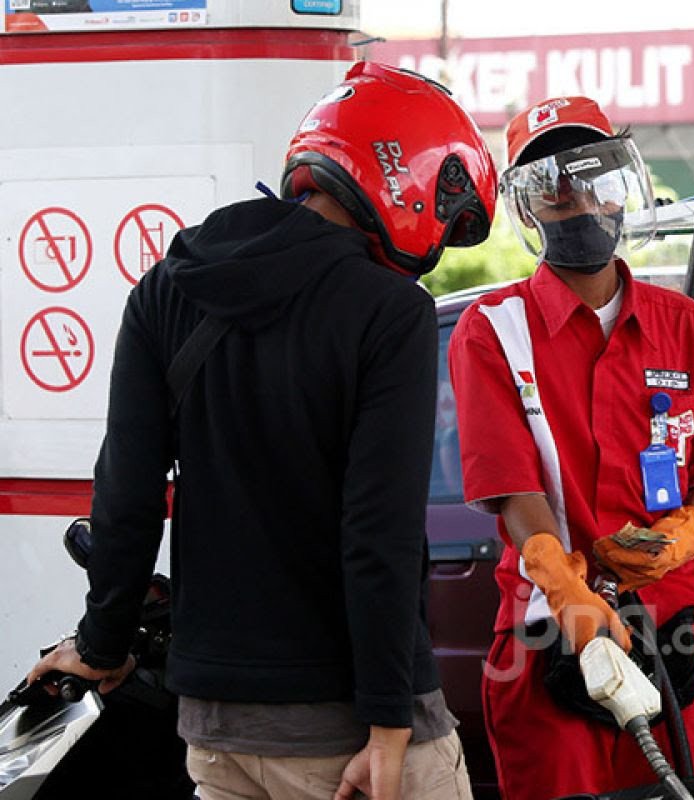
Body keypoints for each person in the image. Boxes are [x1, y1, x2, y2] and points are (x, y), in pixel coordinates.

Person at [27, 62, 497, 800]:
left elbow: (126, 493)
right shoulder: (389, 312)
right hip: (349, 726)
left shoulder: (166, 288)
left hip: (217, 733)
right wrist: (388, 725)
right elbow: (379, 533)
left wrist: (100, 644)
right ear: (408, 176)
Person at [448, 96, 694, 800]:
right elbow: (512, 486)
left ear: (621, 183)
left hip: (669, 633)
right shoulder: (494, 330)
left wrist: (687, 531)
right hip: (553, 632)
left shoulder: (684, 326)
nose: (576, 200)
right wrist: (565, 586)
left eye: (590, 177)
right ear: (526, 210)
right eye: (550, 188)